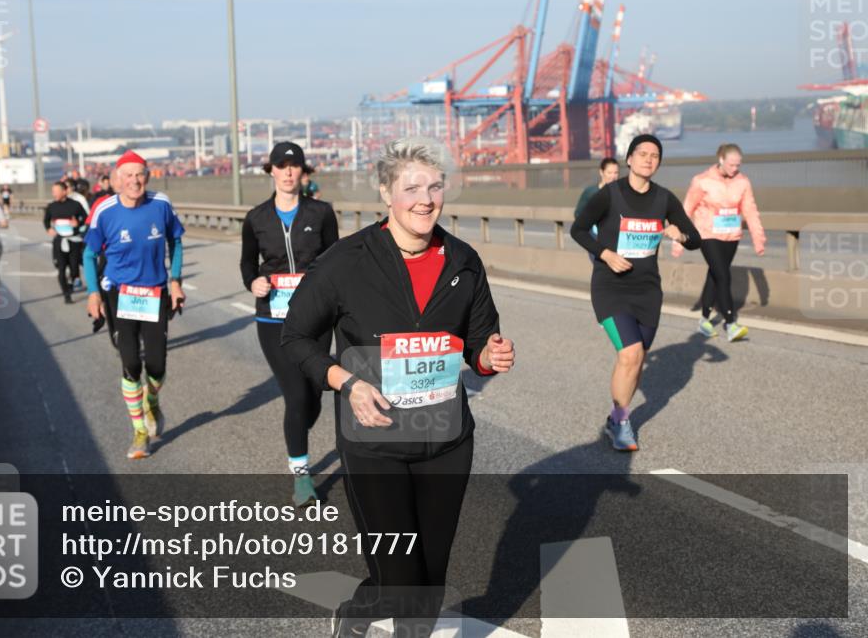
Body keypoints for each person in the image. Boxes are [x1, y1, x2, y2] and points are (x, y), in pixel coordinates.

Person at [282, 137, 515, 636]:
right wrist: (347, 384)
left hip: (445, 441)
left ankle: (386, 620)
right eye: (411, 187)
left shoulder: (463, 261)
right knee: (400, 579)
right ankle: (357, 612)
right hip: (376, 443)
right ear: (386, 194)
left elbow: (478, 343)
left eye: (434, 186)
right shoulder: (346, 262)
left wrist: (489, 357)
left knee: (428, 582)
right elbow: (295, 338)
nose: (425, 198)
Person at [570, 134, 701, 452]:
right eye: (642, 153)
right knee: (631, 354)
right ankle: (622, 421)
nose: (648, 159)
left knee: (636, 359)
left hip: (647, 290)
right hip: (611, 287)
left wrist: (678, 233)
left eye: (655, 155)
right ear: (629, 159)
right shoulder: (610, 195)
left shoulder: (664, 199)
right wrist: (605, 254)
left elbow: (695, 238)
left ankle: (615, 419)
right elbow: (578, 228)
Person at [240, 142, 339, 506]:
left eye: (293, 166)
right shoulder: (256, 218)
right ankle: (301, 477)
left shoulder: (322, 213)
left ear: (302, 172)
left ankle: (297, 426)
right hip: (272, 318)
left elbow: (335, 259)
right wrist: (253, 282)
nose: (287, 172)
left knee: (313, 393)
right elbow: (248, 263)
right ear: (270, 171)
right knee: (296, 394)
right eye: (280, 166)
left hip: (316, 316)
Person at [84, 150, 185, 460]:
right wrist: (93, 293)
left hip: (155, 293)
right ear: (117, 179)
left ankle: (152, 402)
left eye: (139, 174)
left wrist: (176, 280)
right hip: (120, 294)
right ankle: (140, 433)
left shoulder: (161, 204)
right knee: (130, 364)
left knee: (156, 367)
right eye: (127, 175)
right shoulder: (105, 210)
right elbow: (89, 255)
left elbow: (176, 241)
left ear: (147, 177)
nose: (134, 180)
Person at [672, 144, 765, 342]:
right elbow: (686, 209)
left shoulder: (743, 182)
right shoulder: (701, 181)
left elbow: (750, 210)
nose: (735, 169)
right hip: (707, 234)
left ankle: (704, 320)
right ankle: (730, 324)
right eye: (731, 164)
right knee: (723, 275)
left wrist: (758, 238)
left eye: (738, 165)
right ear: (721, 159)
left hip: (731, 236)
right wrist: (679, 242)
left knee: (715, 274)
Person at [44, 181, 88, 304]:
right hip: (59, 241)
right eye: (53, 191)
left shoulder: (75, 205)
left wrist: (78, 224)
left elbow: (86, 219)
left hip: (74, 241)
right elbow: (46, 220)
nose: (54, 194)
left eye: (56, 191)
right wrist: (49, 229)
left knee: (74, 269)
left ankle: (72, 281)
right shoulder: (51, 206)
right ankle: (66, 294)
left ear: (64, 191)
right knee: (61, 268)